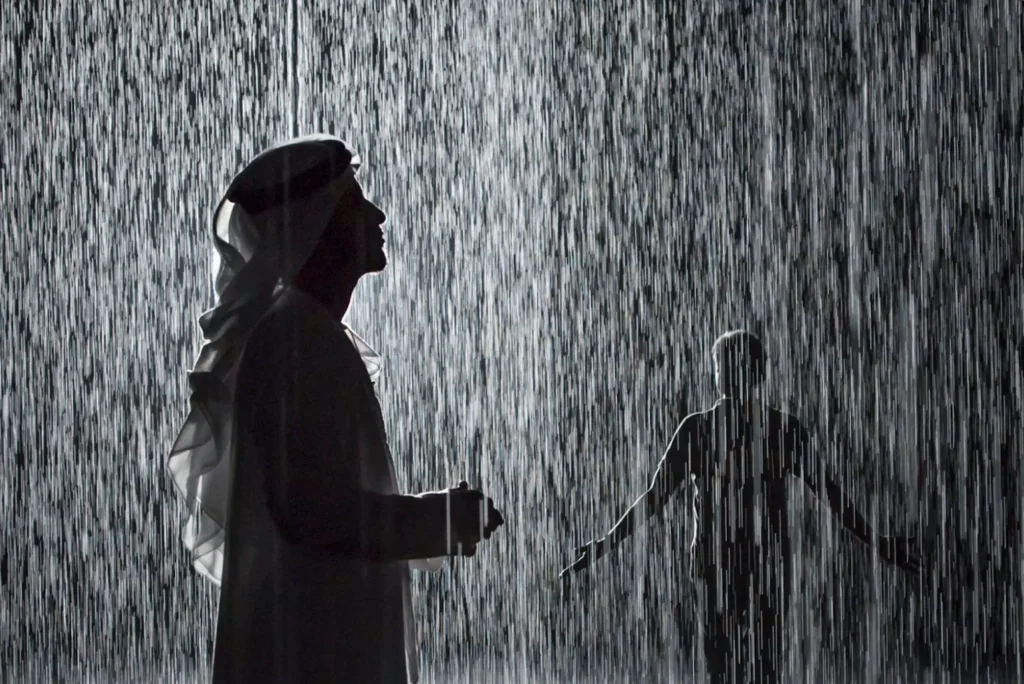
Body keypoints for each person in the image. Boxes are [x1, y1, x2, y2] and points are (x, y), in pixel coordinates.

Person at [167, 135, 504, 684]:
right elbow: (309, 512)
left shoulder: (308, 333)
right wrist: (435, 520)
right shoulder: (293, 339)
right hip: (314, 654)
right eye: (355, 203)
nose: (378, 213)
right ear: (315, 226)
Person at [560, 330, 921, 683]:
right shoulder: (777, 428)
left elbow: (655, 498)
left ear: (753, 373)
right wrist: (877, 542)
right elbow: (831, 495)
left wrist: (605, 544)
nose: (725, 372)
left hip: (723, 562)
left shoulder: (708, 428)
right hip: (757, 561)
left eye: (729, 365)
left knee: (727, 664)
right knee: (761, 664)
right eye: (722, 365)